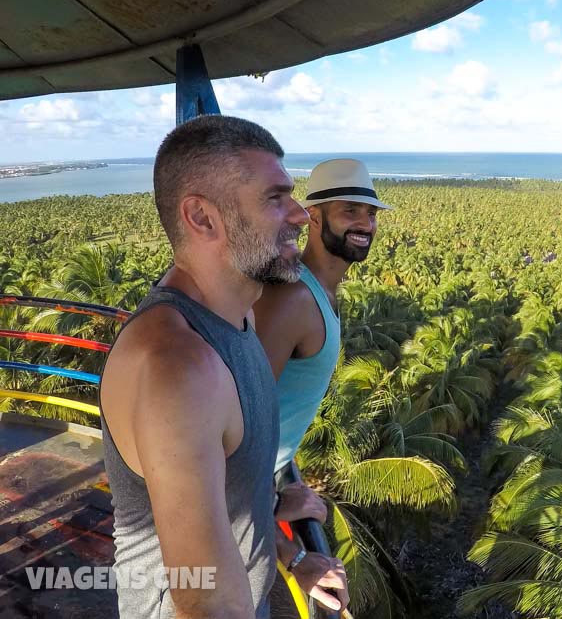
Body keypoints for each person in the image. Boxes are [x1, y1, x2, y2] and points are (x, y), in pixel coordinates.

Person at [99, 115, 348, 619]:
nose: (301, 215)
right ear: (203, 218)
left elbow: (227, 499)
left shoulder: (239, 322)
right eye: (275, 199)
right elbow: (208, 601)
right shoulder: (179, 366)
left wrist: (290, 551)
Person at [255, 159, 391, 470]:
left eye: (371, 214)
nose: (366, 224)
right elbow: (243, 411)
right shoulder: (294, 298)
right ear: (313, 218)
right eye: (350, 211)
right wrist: (263, 494)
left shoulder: (321, 292)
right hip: (241, 492)